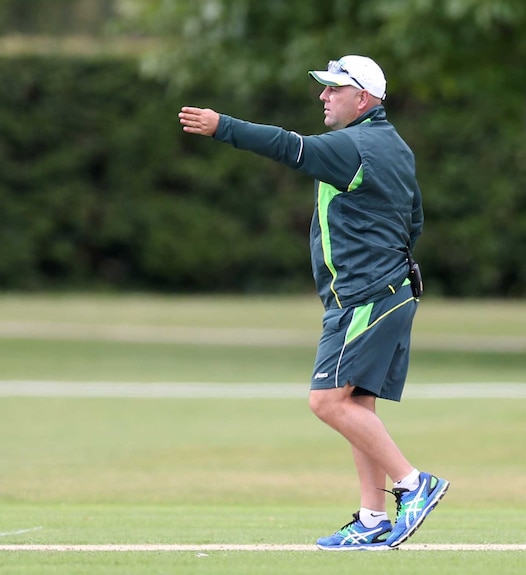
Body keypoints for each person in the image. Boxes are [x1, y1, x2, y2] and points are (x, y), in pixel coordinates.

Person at [178, 55, 448, 550]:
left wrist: (223, 127)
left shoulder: (354, 145)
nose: (323, 97)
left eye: (334, 89)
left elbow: (287, 146)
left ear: (362, 98)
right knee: (356, 404)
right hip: (390, 291)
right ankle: (372, 518)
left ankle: (414, 483)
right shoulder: (394, 145)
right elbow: (415, 221)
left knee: (326, 402)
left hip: (365, 296)